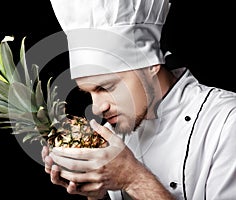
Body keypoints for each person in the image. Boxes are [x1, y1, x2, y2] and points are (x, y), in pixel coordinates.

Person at [41, 0, 236, 199]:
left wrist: (132, 178)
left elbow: (131, 177)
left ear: (151, 65)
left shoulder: (226, 123)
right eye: (89, 93)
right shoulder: (111, 135)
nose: (97, 108)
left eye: (106, 87)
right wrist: (94, 190)